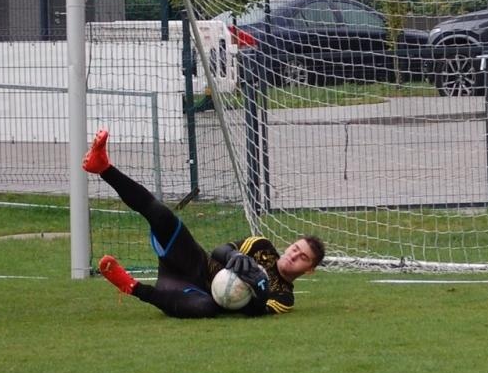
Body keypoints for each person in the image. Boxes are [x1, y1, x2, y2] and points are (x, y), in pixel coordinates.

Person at [82, 128, 323, 318]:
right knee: (163, 216)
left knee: (206, 308)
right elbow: (220, 250)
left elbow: (255, 312)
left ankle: (132, 287)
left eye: (303, 257)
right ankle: (103, 167)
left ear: (309, 270)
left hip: (192, 292)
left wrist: (259, 291)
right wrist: (233, 256)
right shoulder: (262, 247)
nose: (293, 254)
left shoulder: (284, 298)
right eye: (295, 248)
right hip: (194, 262)